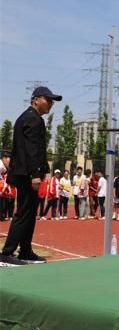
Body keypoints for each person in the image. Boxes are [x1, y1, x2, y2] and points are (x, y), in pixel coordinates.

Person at [1, 86, 61, 265]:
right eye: (47, 100)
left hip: (24, 172)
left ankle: (25, 251)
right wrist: (36, 174)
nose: (50, 104)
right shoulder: (33, 119)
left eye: (52, 101)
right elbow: (31, 149)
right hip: (27, 174)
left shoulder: (28, 117)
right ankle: (6, 253)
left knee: (29, 212)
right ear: (36, 99)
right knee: (24, 212)